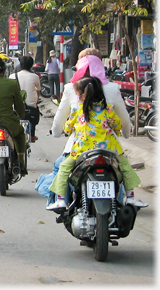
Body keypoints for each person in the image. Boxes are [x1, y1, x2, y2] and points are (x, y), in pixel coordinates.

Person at [37, 48, 133, 205]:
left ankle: (61, 202)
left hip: (79, 147)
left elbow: (60, 122)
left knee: (60, 168)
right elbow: (123, 121)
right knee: (121, 171)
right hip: (109, 147)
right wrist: (125, 134)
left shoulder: (71, 89)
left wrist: (57, 132)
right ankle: (126, 202)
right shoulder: (112, 89)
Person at [47, 76, 147, 210]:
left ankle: (60, 200)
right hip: (110, 150)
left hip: (82, 151)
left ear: (83, 95)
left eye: (77, 94)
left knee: (64, 168)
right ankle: (130, 197)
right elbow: (117, 125)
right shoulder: (108, 109)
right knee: (125, 167)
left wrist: (68, 129)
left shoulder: (78, 110)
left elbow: (67, 128)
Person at [9, 56, 41, 142]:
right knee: (34, 113)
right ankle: (32, 135)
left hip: (15, 105)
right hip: (30, 105)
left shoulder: (12, 76)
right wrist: (37, 99)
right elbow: (38, 90)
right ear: (31, 66)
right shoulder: (35, 77)